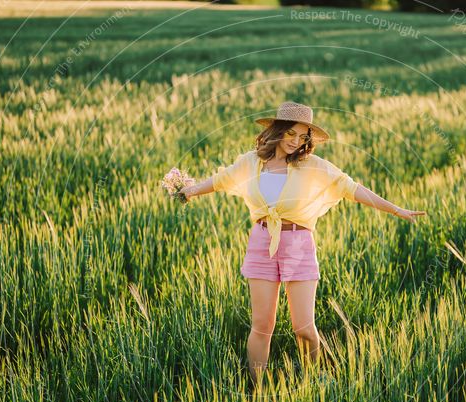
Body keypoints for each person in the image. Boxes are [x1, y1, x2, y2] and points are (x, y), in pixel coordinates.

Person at [180, 101, 426, 386]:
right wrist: (191, 191)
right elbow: (222, 179)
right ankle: (257, 390)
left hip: (298, 243)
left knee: (304, 328)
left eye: (303, 137)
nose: (296, 142)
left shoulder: (313, 166)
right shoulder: (252, 161)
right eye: (291, 134)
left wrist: (396, 209)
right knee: (262, 326)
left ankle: (314, 381)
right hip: (261, 242)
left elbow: (352, 189)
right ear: (278, 130)